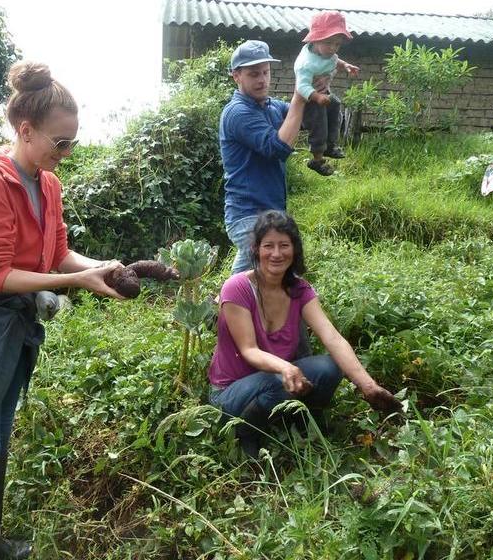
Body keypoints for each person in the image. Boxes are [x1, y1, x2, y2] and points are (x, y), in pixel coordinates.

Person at [0, 60, 124, 559]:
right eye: (61, 142)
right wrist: (76, 280)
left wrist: (102, 267)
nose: (68, 152)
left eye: (73, 141)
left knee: (0, 434)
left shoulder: (48, 183)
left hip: (13, 321)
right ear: (26, 131)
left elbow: (56, 253)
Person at [207, 210, 402, 457]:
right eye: (268, 246)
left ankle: (297, 417)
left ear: (294, 249)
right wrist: (285, 367)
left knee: (330, 368)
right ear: (256, 249)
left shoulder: (299, 289)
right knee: (280, 379)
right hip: (230, 394)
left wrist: (368, 387)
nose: (276, 254)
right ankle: (247, 431)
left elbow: (332, 338)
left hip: (276, 382)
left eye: (284, 245)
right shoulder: (237, 287)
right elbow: (249, 350)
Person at [220, 40, 306, 275]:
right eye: (254, 74)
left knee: (263, 277)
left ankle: (218, 305)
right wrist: (299, 96)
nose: (262, 80)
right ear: (236, 76)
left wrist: (315, 86)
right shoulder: (238, 112)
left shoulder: (271, 107)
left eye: (266, 72)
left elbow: (302, 116)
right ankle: (221, 306)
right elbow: (278, 148)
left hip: (271, 213)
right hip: (247, 214)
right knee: (275, 272)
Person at [293, 11, 360, 176]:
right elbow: (301, 87)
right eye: (329, 42)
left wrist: (345, 66)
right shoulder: (305, 63)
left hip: (323, 94)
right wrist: (317, 97)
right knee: (319, 124)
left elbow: (335, 59)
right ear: (315, 39)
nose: (333, 48)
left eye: (337, 44)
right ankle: (316, 160)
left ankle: (330, 146)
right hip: (309, 99)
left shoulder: (327, 53)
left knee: (336, 105)